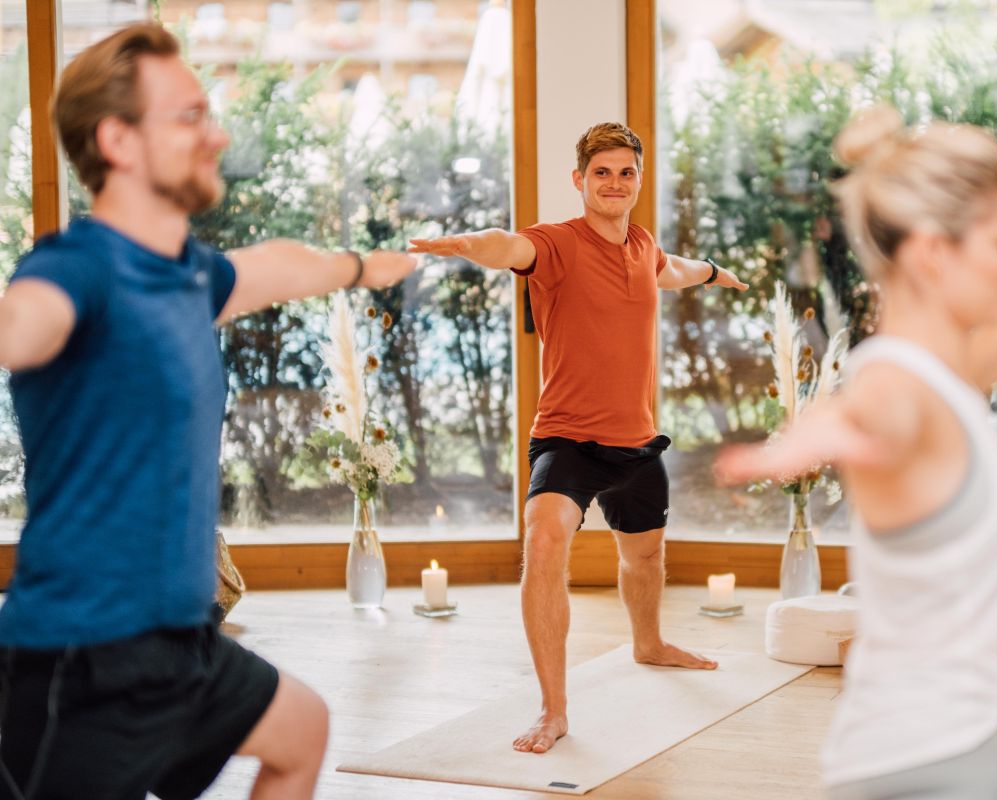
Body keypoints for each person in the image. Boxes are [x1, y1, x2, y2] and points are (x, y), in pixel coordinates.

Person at [0, 24, 417, 800]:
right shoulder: (77, 267)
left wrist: (363, 266)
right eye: (190, 116)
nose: (216, 135)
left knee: (302, 730)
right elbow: (26, 321)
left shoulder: (189, 275)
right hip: (84, 661)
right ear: (118, 140)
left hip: (180, 641)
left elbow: (281, 265)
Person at [716, 106, 997, 799]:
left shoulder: (952, 369)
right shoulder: (896, 382)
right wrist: (821, 434)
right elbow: (880, 409)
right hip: (920, 772)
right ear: (933, 254)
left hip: (963, 752)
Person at [410, 122, 748, 755]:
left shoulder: (642, 245)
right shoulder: (557, 244)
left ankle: (649, 643)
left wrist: (713, 272)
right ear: (580, 180)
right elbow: (509, 247)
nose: (614, 183)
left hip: (638, 442)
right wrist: (468, 244)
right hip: (568, 440)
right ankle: (553, 707)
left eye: (626, 172)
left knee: (645, 558)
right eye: (601, 172)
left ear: (639, 180)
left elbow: (672, 269)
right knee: (543, 543)